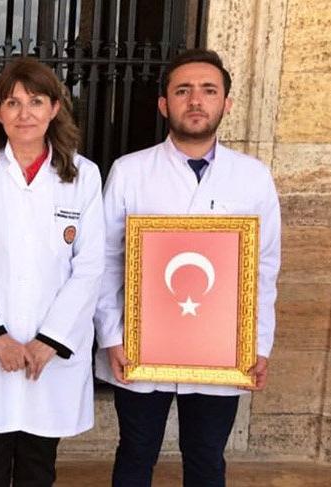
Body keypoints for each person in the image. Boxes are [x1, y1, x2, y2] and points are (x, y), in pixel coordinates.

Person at [93, 49, 281, 487]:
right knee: (136, 453)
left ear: (226, 103)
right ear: (164, 104)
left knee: (206, 458)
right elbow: (105, 260)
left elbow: (264, 266)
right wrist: (113, 335)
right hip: (141, 344)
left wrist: (258, 341)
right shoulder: (130, 171)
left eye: (208, 91)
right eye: (183, 91)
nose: (196, 100)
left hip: (221, 348)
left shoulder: (253, 177)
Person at [0, 57, 104, 487]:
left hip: (50, 354)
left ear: (54, 108)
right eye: (12, 102)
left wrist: (51, 340)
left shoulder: (83, 176)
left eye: (36, 101)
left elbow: (89, 266)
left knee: (38, 467)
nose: (24, 113)